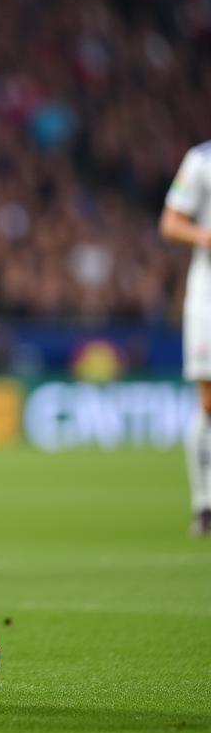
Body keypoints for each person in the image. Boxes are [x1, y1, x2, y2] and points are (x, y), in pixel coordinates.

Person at [160, 142, 211, 536]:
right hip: (207, 296)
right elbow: (171, 223)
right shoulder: (201, 159)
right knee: (209, 400)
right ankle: (204, 504)